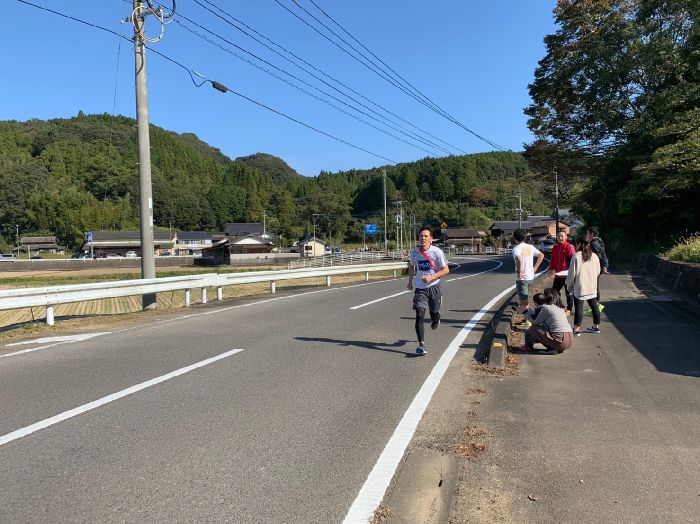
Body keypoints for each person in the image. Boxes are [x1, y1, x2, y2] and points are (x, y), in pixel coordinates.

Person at [407, 226, 449, 356]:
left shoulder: (436, 252)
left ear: (431, 238)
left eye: (426, 236)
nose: (423, 238)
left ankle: (437, 318)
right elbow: (412, 266)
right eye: (421, 236)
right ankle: (421, 344)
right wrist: (410, 281)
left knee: (434, 313)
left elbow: (446, 270)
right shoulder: (415, 252)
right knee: (419, 315)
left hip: (434, 286)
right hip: (420, 288)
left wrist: (431, 277)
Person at [520, 288, 574, 353]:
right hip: (569, 339)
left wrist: (525, 312)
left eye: (544, 295)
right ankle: (555, 348)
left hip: (560, 339)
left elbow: (535, 322)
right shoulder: (559, 307)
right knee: (542, 330)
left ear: (549, 297)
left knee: (533, 329)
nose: (543, 296)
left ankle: (528, 347)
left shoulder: (547, 307)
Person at [565, 238, 601, 336]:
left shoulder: (576, 256)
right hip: (592, 286)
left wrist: (569, 286)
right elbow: (598, 272)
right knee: (594, 306)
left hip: (580, 286)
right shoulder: (594, 256)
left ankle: (576, 330)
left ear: (579, 245)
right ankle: (596, 327)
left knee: (579, 308)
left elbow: (572, 273)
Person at [512, 229, 545, 314]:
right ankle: (525, 314)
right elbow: (541, 255)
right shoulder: (530, 247)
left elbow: (518, 259)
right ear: (525, 237)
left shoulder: (516, 248)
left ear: (514, 238)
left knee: (524, 300)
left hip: (522, 278)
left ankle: (528, 319)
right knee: (526, 298)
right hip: (530, 276)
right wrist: (535, 268)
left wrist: (519, 271)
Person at [548, 230, 575, 314]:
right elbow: (552, 259)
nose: (560, 238)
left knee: (568, 292)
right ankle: (559, 306)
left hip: (567, 275)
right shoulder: (555, 247)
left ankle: (569, 309)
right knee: (554, 292)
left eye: (561, 236)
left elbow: (573, 260)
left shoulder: (569, 246)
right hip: (558, 275)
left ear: (566, 237)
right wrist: (551, 269)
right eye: (558, 236)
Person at [586, 227, 609, 304]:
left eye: (587, 233)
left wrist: (603, 267)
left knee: (594, 287)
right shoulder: (600, 241)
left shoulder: (593, 243)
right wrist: (605, 266)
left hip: (594, 268)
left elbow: (599, 257)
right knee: (595, 286)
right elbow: (604, 255)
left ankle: (596, 306)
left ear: (591, 234)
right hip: (598, 268)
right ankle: (596, 305)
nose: (586, 235)